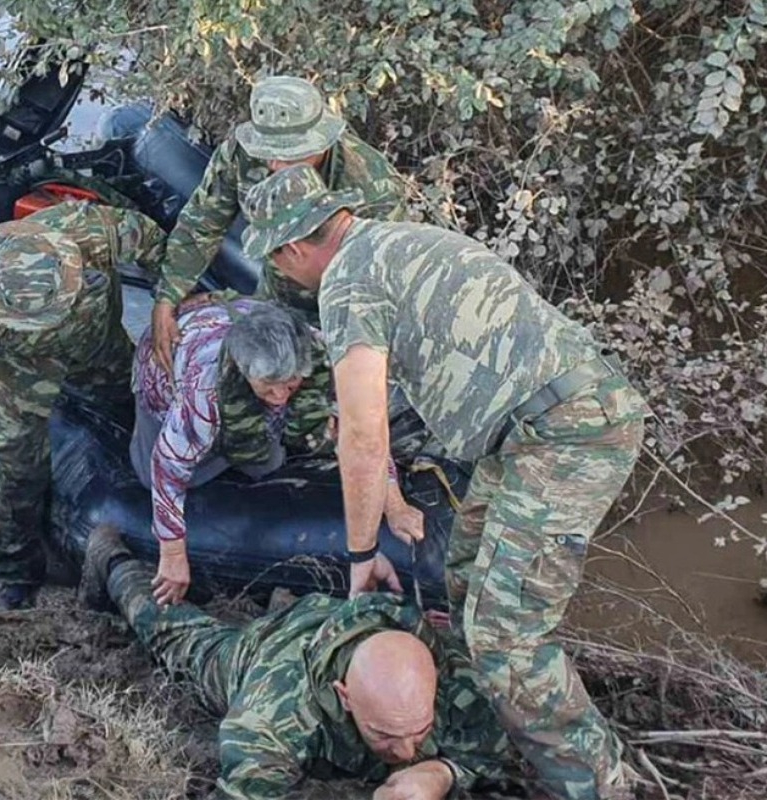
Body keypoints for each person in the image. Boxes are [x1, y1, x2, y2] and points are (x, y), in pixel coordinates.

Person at [240, 164, 649, 800]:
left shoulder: (346, 284)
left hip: (566, 433)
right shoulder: (400, 239)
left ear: (292, 248)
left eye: (276, 261)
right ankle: (469, 717)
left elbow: (364, 435)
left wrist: (360, 553)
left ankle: (601, 787)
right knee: (463, 567)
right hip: (535, 425)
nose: (282, 275)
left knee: (505, 637)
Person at [79, 525, 512, 800]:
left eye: (418, 731)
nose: (404, 752)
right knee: (179, 638)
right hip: (263, 651)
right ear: (344, 697)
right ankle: (114, 563)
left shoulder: (458, 679)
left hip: (343, 624)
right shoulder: (273, 715)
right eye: (384, 735)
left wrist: (440, 773)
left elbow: (499, 757)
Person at [0, 201, 167, 609]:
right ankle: (17, 573)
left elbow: (163, 251)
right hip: (21, 367)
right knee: (20, 468)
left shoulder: (93, 229)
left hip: (99, 346)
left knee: (135, 413)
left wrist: (169, 305)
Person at [132, 297, 422, 605]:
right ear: (245, 372)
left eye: (291, 384)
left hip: (241, 334)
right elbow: (168, 466)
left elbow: (362, 433)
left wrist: (394, 502)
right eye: (269, 386)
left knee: (267, 461)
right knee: (161, 475)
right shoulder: (202, 392)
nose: (281, 395)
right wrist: (173, 552)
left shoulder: (318, 351)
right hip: (165, 367)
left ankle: (248, 440)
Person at [150, 75, 405, 371]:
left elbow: (380, 289)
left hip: (347, 315)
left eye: (288, 154)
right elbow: (203, 222)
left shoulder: (373, 184)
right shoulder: (241, 154)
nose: (274, 165)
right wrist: (168, 298)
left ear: (321, 142)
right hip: (275, 298)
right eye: (268, 152)